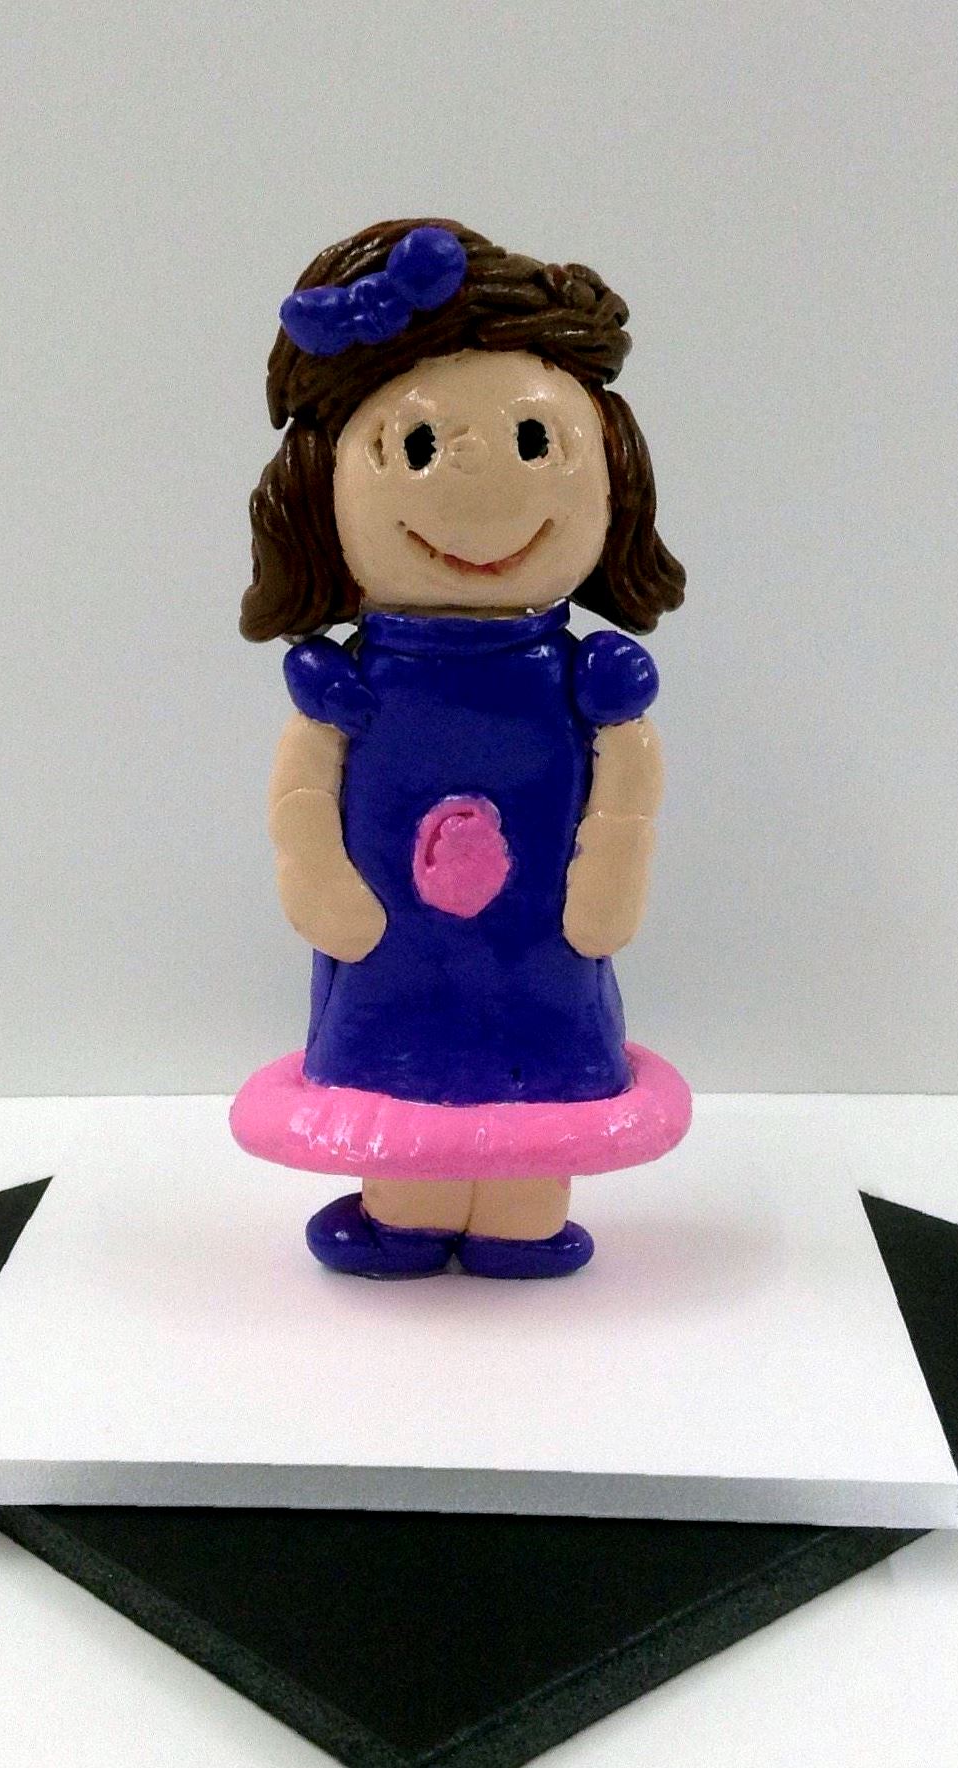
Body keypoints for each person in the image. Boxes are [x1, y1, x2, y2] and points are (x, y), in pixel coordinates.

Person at [230, 220, 691, 1279]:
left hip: (539, 929)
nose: (482, 494)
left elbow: (626, 785)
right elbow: (303, 792)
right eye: (416, 448)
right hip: (396, 932)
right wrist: (319, 879)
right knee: (406, 1039)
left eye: (536, 443)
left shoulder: (583, 680)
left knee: (536, 1030)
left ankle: (514, 1215)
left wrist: (608, 876)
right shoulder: (350, 686)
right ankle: (414, 1208)